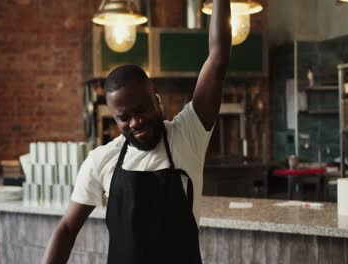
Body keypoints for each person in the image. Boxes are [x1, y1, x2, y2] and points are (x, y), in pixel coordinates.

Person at [42, 0, 231, 263]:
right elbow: (66, 229)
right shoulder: (101, 160)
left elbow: (218, 59)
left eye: (141, 109)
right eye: (124, 117)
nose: (135, 122)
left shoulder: (187, 135)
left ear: (157, 98)